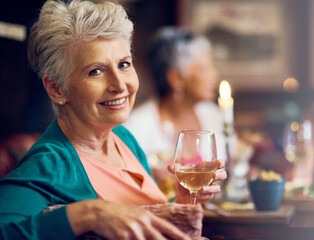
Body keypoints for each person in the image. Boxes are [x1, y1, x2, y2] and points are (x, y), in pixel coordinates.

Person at [0, 1, 227, 239]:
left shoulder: (123, 138)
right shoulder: (49, 165)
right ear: (57, 89)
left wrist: (183, 200)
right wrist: (89, 213)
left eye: (124, 64)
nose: (120, 85)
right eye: (95, 71)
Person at [124, 27, 227, 199]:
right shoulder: (135, 126)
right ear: (176, 78)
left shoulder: (213, 116)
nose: (214, 75)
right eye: (204, 69)